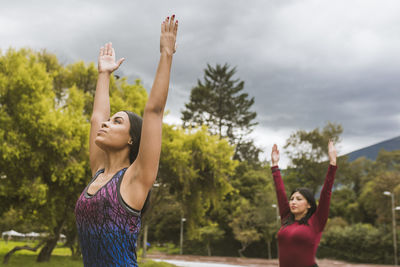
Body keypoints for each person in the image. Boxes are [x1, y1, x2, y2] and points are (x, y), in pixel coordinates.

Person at [74, 14, 178, 267]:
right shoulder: (98, 173)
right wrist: (104, 74)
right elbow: (97, 117)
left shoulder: (135, 178)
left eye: (117, 122)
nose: (107, 124)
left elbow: (153, 110)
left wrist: (166, 54)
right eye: (110, 121)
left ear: (132, 140)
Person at [270, 140, 337, 267]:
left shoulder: (316, 221)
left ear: (309, 204)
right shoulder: (286, 219)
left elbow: (326, 193)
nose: (293, 202)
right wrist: (275, 165)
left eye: (299, 199)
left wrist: (332, 163)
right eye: (292, 199)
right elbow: (280, 191)